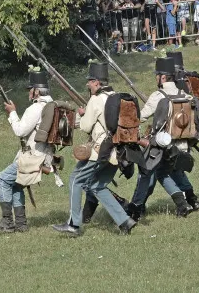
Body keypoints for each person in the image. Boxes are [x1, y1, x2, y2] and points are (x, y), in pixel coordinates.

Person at [51, 62, 136, 237]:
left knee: (75, 179)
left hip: (101, 150)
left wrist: (83, 115)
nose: (88, 84)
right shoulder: (117, 96)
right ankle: (124, 221)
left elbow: (85, 126)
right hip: (118, 151)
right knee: (97, 185)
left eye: (90, 81)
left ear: (97, 82)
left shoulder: (96, 99)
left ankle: (74, 224)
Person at [126, 58, 199, 220]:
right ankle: (190, 200)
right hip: (182, 144)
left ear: (163, 77)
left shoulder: (157, 96)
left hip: (162, 147)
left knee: (156, 172)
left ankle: (179, 205)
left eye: (157, 75)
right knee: (169, 171)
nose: (156, 78)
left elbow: (141, 117)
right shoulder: (185, 95)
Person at [0, 68, 53, 233]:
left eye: (31, 89)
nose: (29, 92)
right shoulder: (52, 105)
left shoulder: (36, 108)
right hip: (43, 155)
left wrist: (12, 113)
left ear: (36, 91)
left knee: (1, 179)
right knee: (16, 185)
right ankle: (21, 224)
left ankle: (7, 221)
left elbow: (20, 131)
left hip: (32, 157)